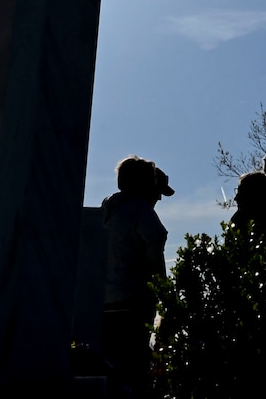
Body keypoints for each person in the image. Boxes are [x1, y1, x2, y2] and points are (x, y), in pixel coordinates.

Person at [102, 155, 172, 396]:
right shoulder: (141, 212)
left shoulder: (107, 210)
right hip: (133, 304)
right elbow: (154, 253)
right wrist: (164, 294)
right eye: (154, 187)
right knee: (134, 371)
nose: (158, 196)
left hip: (103, 304)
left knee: (109, 369)